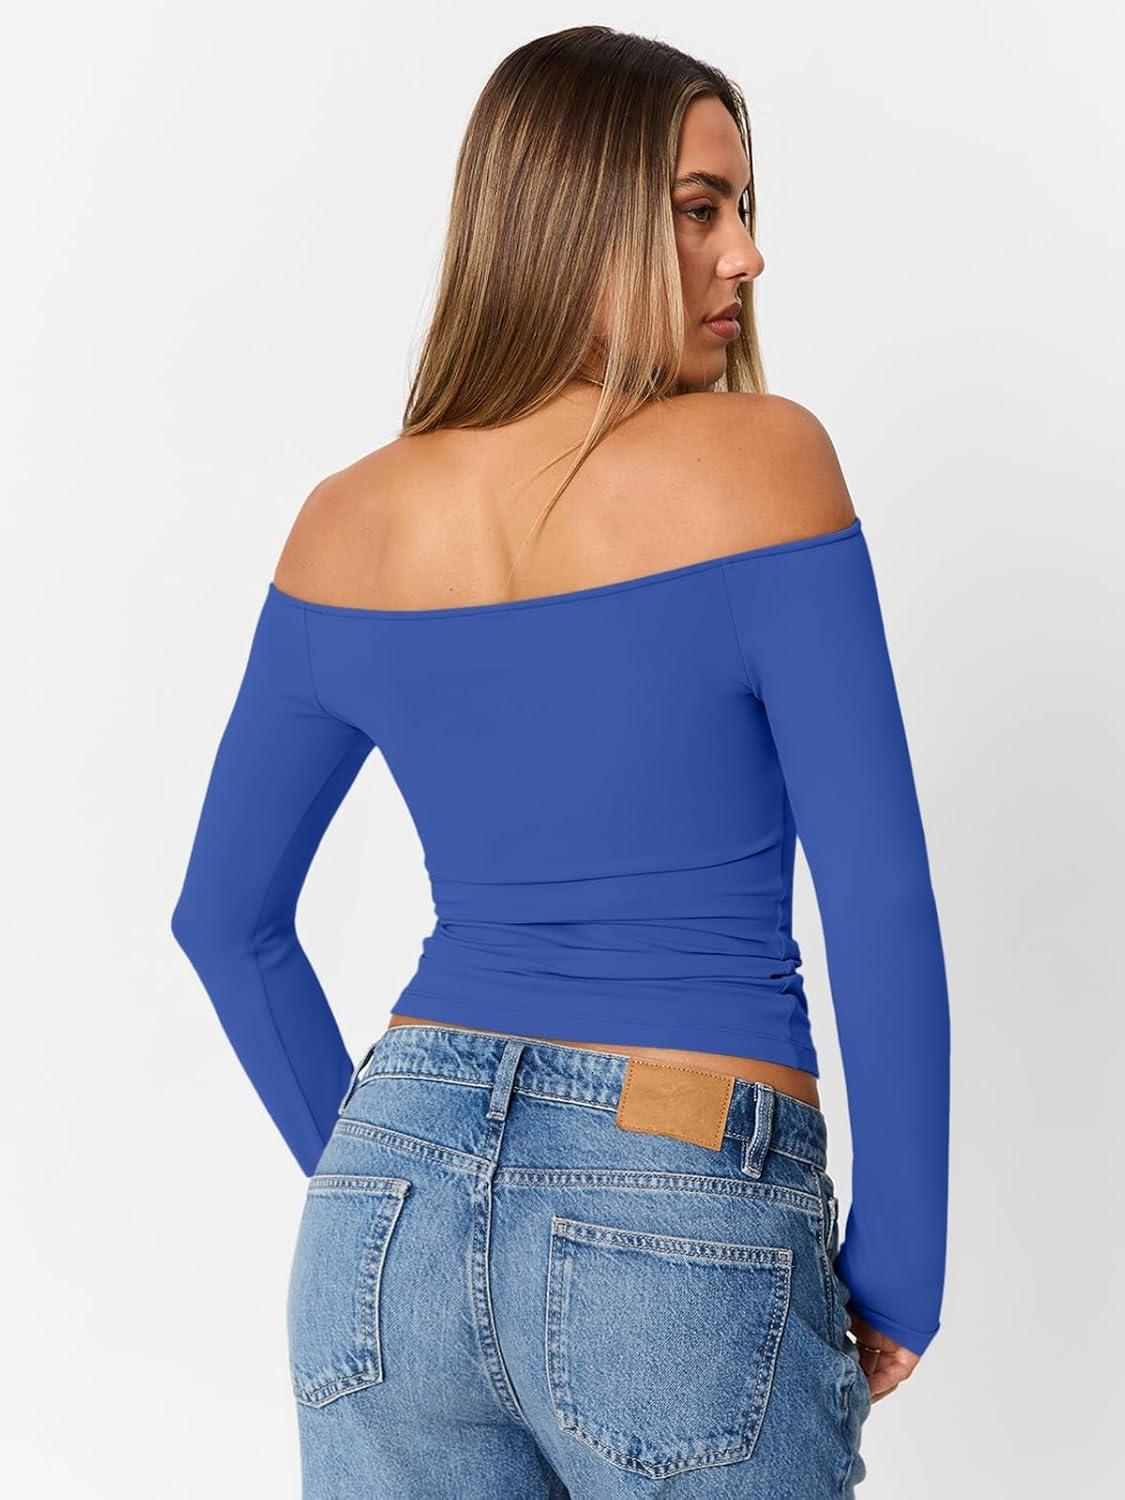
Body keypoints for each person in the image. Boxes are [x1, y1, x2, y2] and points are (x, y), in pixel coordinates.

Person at [170, 25, 950, 1498]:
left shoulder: (345, 522)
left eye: (743, 209)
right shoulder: (760, 462)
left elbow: (223, 921)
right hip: (675, 1190)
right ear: (579, 218)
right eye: (700, 209)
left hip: (382, 1214)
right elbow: (877, 897)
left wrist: (380, 1173)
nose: (746, 256)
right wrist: (902, 1265)